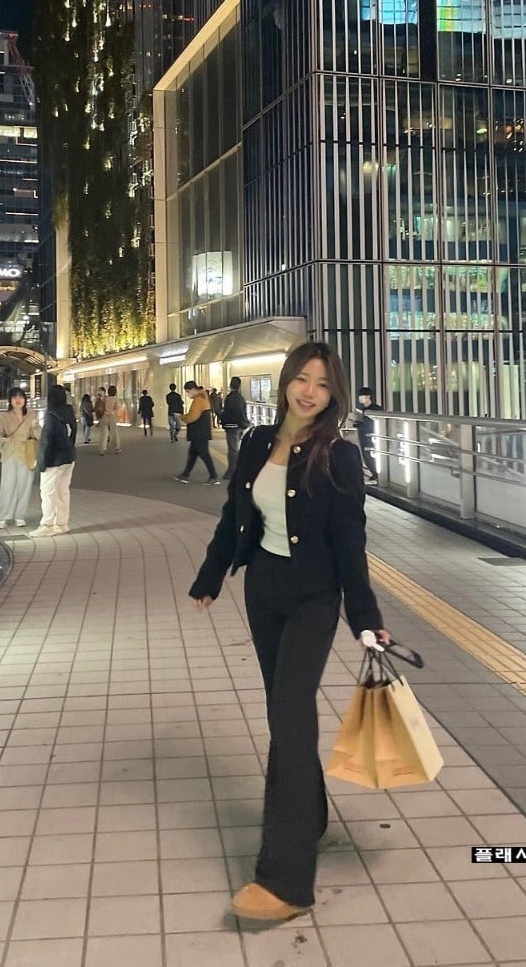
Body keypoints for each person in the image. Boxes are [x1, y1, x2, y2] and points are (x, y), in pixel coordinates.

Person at [188, 341, 390, 922]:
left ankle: (286, 880)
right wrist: (211, 576)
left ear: (334, 394)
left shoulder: (339, 456)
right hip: (265, 593)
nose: (310, 392)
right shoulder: (256, 442)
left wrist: (366, 617)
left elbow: (350, 540)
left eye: (322, 385)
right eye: (302, 379)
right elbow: (234, 516)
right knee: (284, 714)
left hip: (313, 600)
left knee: (290, 720)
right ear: (285, 382)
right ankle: (311, 817)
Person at [31, 384, 77, 538]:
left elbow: (45, 442)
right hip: (69, 457)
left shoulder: (51, 416)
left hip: (54, 460)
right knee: (63, 491)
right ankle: (62, 523)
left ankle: (47, 525)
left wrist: (41, 463)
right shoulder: (69, 413)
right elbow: (73, 434)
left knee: (48, 493)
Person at [0, 387, 41, 529]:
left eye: (20, 397)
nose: (18, 400)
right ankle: (3, 517)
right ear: (10, 400)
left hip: (26, 454)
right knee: (7, 486)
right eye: (14, 397)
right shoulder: (4, 417)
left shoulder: (31, 415)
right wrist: (4, 440)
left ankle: (20, 516)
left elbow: (38, 435)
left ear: (25, 399)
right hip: (10, 453)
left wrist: (36, 427)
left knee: (24, 486)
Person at [174, 381, 220, 485]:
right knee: (193, 453)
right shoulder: (203, 398)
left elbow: (192, 417)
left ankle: (213, 476)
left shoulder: (198, 401)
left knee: (204, 454)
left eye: (188, 391)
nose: (188, 394)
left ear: (193, 389)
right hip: (201, 432)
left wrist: (181, 417)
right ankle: (185, 474)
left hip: (199, 432)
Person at [220, 376, 251, 481]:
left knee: (233, 449)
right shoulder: (240, 398)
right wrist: (245, 423)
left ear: (230, 385)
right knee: (236, 448)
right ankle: (237, 469)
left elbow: (228, 412)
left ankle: (233, 471)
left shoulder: (230, 398)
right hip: (239, 426)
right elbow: (242, 412)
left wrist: (223, 420)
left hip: (232, 426)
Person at [355, 386, 383, 485]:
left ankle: (377, 473)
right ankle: (374, 473)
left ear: (368, 397)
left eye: (362, 396)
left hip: (372, 435)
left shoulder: (375, 409)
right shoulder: (362, 409)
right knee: (366, 455)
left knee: (372, 455)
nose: (360, 398)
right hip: (363, 435)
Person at [98, 384, 121, 455]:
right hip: (112, 418)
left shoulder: (105, 399)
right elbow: (117, 409)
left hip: (105, 417)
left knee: (104, 434)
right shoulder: (115, 399)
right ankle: (117, 448)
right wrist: (112, 412)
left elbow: (100, 407)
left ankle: (102, 450)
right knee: (114, 433)